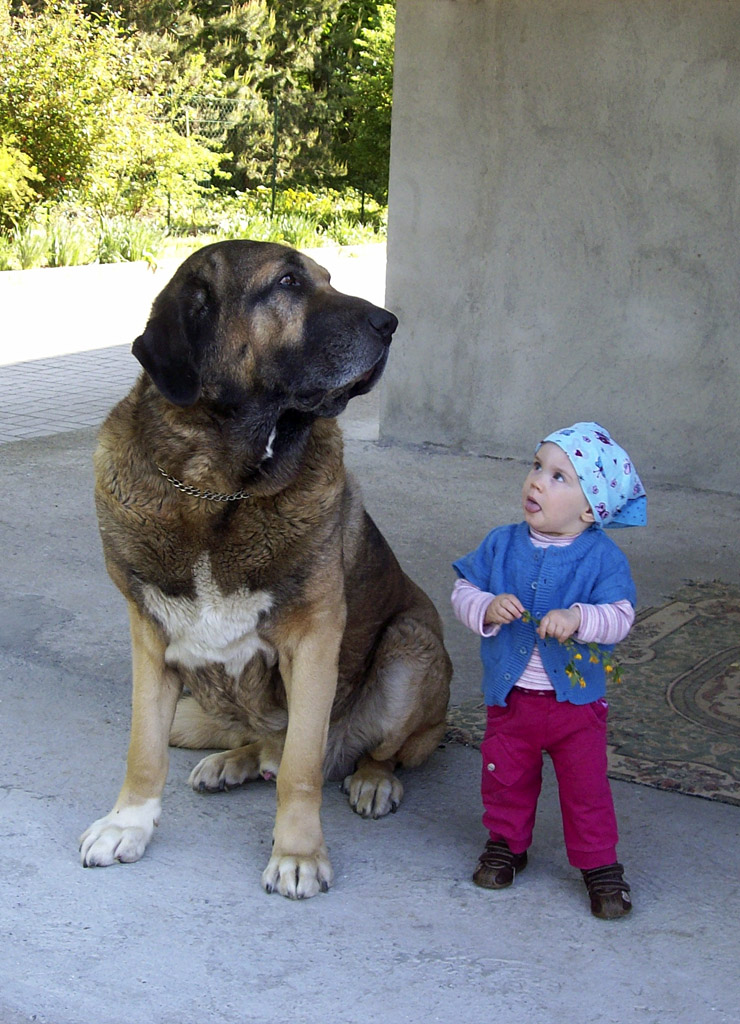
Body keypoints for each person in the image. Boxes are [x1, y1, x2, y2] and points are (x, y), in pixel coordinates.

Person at [451, 422, 647, 919]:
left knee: (586, 789)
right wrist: (486, 606)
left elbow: (621, 616)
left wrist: (580, 618)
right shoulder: (501, 544)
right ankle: (506, 844)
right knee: (505, 777)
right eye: (537, 466)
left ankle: (600, 865)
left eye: (559, 476)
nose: (536, 481)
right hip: (511, 699)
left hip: (575, 709)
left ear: (590, 508)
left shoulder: (602, 557)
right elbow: (463, 590)